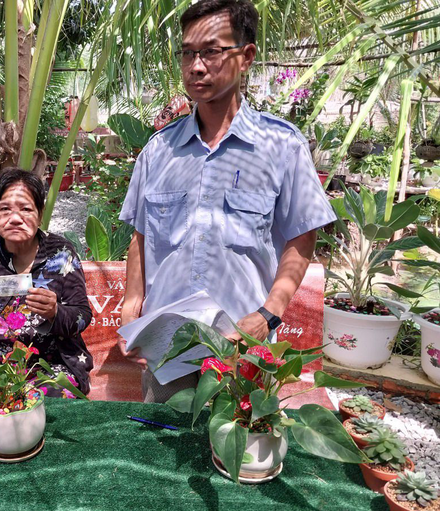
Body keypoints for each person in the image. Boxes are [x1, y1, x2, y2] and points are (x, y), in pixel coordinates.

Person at [118, 0, 336, 403]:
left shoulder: (281, 146)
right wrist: (132, 303)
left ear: (246, 56)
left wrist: (268, 314)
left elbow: (302, 237)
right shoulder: (159, 151)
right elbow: (140, 234)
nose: (196, 67)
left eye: (211, 52)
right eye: (188, 53)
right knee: (162, 439)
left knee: (241, 439)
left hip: (243, 347)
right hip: (169, 351)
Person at [0, 168, 93, 396]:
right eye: (5, 209)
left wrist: (55, 313)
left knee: (48, 399)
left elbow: (82, 315)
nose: (15, 219)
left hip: (50, 364)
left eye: (26, 209)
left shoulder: (60, 253)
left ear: (40, 213)